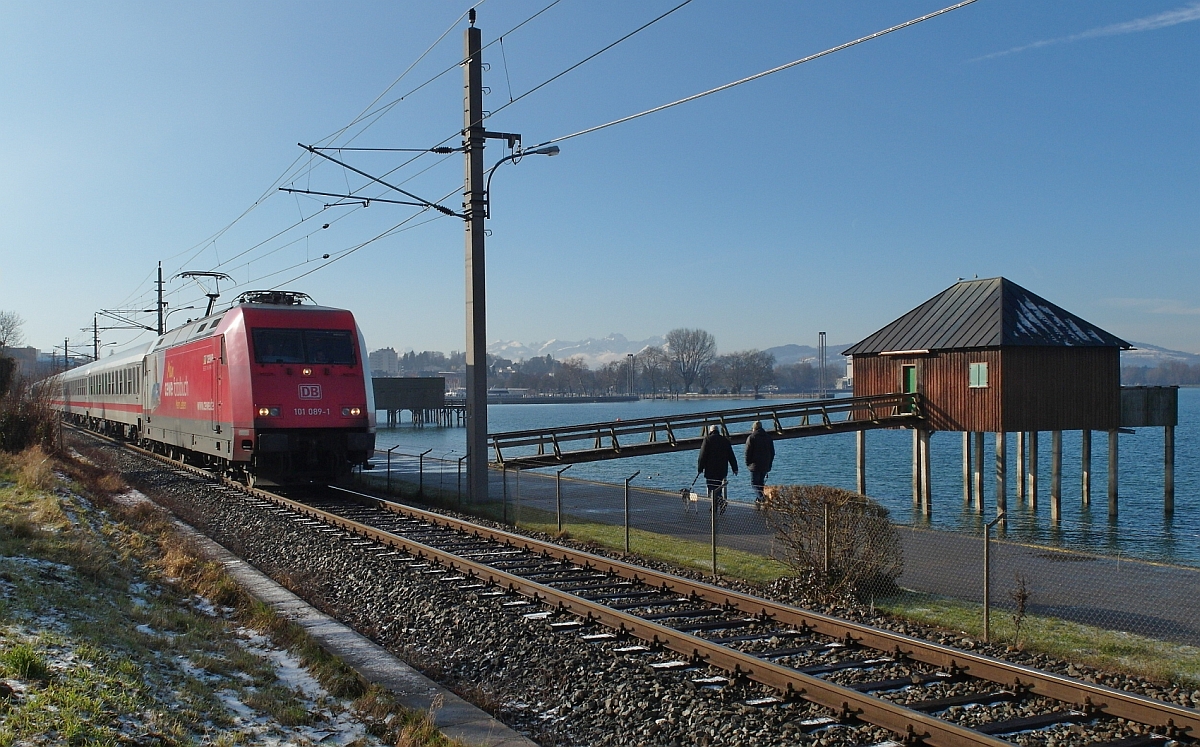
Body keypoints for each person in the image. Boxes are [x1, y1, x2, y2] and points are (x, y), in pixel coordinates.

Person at [697, 425, 737, 513]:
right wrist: (735, 468)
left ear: (710, 431)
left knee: (712, 487)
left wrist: (700, 468)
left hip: (710, 469)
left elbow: (702, 456)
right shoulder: (725, 440)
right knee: (718, 487)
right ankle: (716, 505)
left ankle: (720, 502)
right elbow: (731, 455)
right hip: (721, 470)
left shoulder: (707, 440)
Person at [744, 420, 775, 505]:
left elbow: (747, 452)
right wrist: (769, 464)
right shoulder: (768, 437)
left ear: (754, 428)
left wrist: (748, 463)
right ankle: (759, 501)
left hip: (754, 465)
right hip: (765, 465)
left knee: (754, 484)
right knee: (761, 484)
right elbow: (772, 452)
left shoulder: (751, 437)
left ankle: (762, 499)